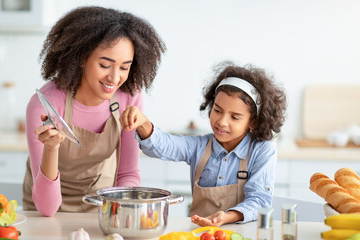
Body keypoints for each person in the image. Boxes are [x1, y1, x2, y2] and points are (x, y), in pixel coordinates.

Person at [22, 6, 165, 216]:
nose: (115, 78)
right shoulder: (45, 105)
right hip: (45, 209)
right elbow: (47, 207)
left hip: (103, 203)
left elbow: (128, 173)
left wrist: (123, 212)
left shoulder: (129, 96)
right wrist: (51, 148)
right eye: (105, 65)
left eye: (124, 67)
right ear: (81, 58)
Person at [120, 62, 286, 226]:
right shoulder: (199, 146)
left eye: (234, 117)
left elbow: (259, 200)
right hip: (201, 234)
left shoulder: (262, 150)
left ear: (253, 122)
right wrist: (143, 123)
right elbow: (167, 145)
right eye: (217, 110)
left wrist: (227, 217)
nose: (222, 122)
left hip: (243, 235)